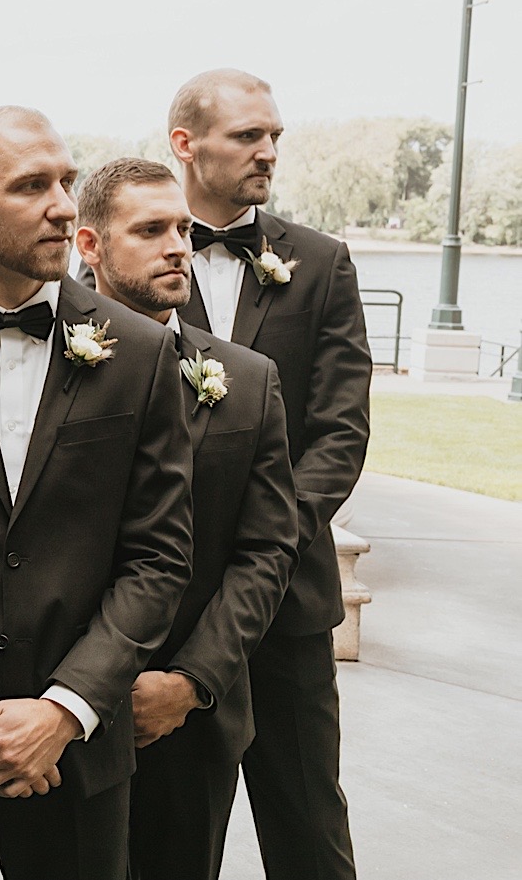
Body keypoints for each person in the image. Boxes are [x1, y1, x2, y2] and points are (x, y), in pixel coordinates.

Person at [0, 108, 193, 880]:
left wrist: (64, 708)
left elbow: (159, 558)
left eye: (66, 181)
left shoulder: (139, 354)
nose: (64, 204)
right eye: (32, 185)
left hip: (82, 750)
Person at [170, 69, 371, 880]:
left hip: (288, 607)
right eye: (249, 136)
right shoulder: (127, 252)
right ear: (185, 144)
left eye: (275, 137)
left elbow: (341, 429)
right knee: (176, 835)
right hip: (171, 614)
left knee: (309, 826)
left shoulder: (321, 263)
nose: (268, 152)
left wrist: (269, 543)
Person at [75, 156, 297, 880]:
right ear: (90, 245)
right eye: (150, 230)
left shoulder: (248, 382)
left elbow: (267, 549)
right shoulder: (40, 368)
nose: (179, 245)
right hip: (57, 712)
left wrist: (191, 682)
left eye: (182, 228)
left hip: (186, 717)